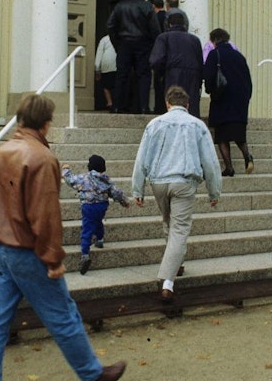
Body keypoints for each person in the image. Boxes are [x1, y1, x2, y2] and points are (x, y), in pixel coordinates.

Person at [0, 94, 126, 381]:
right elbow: (45, 215)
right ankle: (92, 374)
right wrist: (53, 259)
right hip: (26, 250)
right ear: (46, 123)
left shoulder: (0, 153)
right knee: (62, 314)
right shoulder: (41, 157)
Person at [131, 86, 222, 303]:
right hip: (184, 181)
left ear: (167, 103)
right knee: (180, 229)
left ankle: (176, 263)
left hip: (159, 181)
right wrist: (214, 191)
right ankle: (167, 282)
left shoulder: (154, 124)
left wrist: (138, 188)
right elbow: (210, 162)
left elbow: (142, 157)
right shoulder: (197, 125)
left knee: (168, 222)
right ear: (188, 105)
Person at [61, 154, 130, 274]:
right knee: (98, 222)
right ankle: (100, 239)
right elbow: (117, 193)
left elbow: (70, 180)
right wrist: (125, 202)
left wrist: (66, 169)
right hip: (102, 207)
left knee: (87, 230)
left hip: (88, 207)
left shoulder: (84, 178)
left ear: (90, 167)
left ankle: (85, 255)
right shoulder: (107, 180)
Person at [204, 28, 254, 176]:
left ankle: (229, 167)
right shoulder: (239, 56)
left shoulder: (215, 54)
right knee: (239, 134)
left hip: (222, 99)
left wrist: (209, 90)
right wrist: (245, 98)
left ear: (214, 41)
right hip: (240, 101)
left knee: (221, 136)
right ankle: (248, 157)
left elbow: (208, 75)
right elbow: (248, 80)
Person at [106, 0, 160, 113]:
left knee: (121, 75)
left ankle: (117, 106)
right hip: (143, 45)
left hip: (124, 43)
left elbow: (110, 26)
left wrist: (117, 44)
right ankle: (143, 107)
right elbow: (155, 29)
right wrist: (153, 45)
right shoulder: (147, 6)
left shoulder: (120, 5)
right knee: (143, 75)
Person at [149, 13, 204, 118]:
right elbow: (200, 62)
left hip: (172, 75)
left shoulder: (163, 37)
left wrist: (160, 74)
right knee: (191, 110)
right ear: (184, 24)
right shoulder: (195, 39)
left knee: (173, 105)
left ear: (169, 24)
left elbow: (155, 60)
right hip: (193, 77)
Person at [148, 0, 168, 114]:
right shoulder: (168, 16)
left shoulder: (153, 18)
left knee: (157, 83)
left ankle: (158, 108)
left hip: (157, 53)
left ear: (153, 6)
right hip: (169, 55)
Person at [94, 34, 117, 112]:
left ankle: (109, 102)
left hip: (107, 64)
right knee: (118, 84)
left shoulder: (104, 39)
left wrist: (97, 69)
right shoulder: (121, 37)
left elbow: (99, 54)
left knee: (106, 86)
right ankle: (117, 103)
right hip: (119, 63)